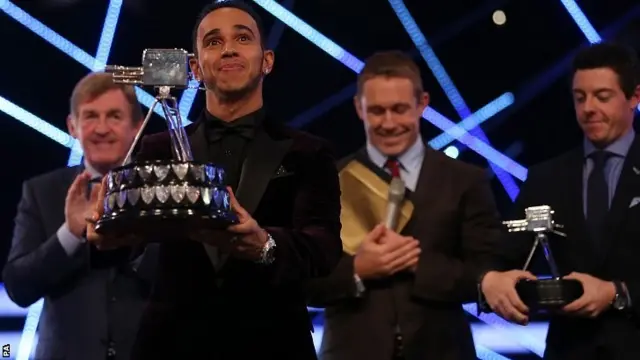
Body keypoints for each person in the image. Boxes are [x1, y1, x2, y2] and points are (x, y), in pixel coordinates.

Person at [86, 1, 342, 359]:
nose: (229, 49)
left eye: (242, 37)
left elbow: (325, 248)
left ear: (267, 60)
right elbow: (130, 244)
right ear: (195, 68)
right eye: (213, 41)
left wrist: (264, 244)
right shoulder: (158, 147)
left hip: (274, 344)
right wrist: (105, 238)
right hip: (171, 346)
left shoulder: (308, 153)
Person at [305, 51, 502, 360]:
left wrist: (416, 263)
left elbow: (487, 275)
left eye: (399, 109)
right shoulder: (329, 181)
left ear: (422, 104)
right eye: (377, 111)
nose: (388, 123)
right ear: (359, 108)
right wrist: (358, 269)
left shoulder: (466, 181)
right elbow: (306, 281)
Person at [479, 42, 640, 359]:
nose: (588, 107)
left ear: (634, 96)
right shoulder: (546, 178)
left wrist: (616, 293)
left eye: (602, 96)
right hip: (569, 350)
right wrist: (490, 280)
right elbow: (502, 254)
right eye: (580, 97)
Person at [2, 72, 157, 360]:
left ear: (137, 127)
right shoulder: (41, 191)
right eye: (90, 116)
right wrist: (69, 234)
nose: (101, 128)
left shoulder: (161, 190)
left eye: (114, 116)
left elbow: (182, 281)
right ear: (72, 126)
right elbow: (18, 287)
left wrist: (137, 232)